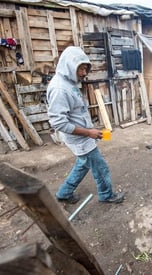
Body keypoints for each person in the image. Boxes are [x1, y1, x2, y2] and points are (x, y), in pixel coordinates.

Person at [47, 46, 124, 204]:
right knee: (100, 168)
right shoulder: (59, 89)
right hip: (79, 139)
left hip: (82, 136)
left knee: (83, 164)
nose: (83, 73)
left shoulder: (69, 81)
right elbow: (58, 122)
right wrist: (89, 133)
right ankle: (106, 195)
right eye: (80, 69)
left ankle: (64, 192)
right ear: (69, 65)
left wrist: (90, 130)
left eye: (85, 69)